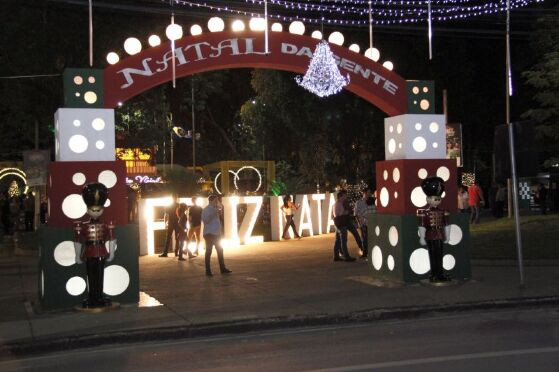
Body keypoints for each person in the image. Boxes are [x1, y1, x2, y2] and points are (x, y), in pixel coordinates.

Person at [73, 183, 117, 308]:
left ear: (103, 209)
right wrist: (77, 255)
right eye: (93, 209)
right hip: (89, 252)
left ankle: (99, 296)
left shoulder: (106, 224)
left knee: (100, 275)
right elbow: (77, 240)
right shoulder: (83, 225)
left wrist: (112, 253)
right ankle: (93, 297)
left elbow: (112, 238)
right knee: (91, 275)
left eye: (98, 210)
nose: (96, 212)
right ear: (87, 209)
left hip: (101, 251)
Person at [417, 177, 451, 283]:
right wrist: (422, 237)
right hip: (430, 234)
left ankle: (440, 274)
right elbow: (422, 225)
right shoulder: (425, 212)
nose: (437, 201)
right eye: (434, 198)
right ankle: (434, 274)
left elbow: (446, 224)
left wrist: (447, 236)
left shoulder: (443, 211)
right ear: (428, 199)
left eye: (438, 198)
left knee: (439, 254)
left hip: (439, 234)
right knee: (432, 254)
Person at [202, 195, 231, 276]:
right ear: (211, 201)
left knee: (220, 250)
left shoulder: (216, 209)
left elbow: (221, 209)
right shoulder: (206, 210)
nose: (216, 202)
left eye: (217, 200)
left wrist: (218, 208)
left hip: (216, 234)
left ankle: (222, 268)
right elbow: (206, 221)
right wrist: (213, 213)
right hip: (209, 234)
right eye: (215, 200)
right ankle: (208, 270)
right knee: (209, 251)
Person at [332, 190, 355, 262]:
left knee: (338, 240)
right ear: (340, 197)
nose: (345, 197)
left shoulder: (338, 204)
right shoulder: (338, 204)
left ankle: (336, 256)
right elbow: (337, 214)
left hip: (339, 224)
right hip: (341, 224)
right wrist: (345, 212)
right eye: (344, 196)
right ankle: (346, 256)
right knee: (343, 241)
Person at [354, 189, 375, 259]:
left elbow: (363, 214)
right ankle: (365, 253)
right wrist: (359, 224)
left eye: (370, 193)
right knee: (364, 239)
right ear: (364, 193)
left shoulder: (372, 201)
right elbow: (356, 214)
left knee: (370, 239)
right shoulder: (359, 202)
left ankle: (370, 252)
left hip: (369, 224)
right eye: (368, 193)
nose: (369, 194)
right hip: (363, 224)